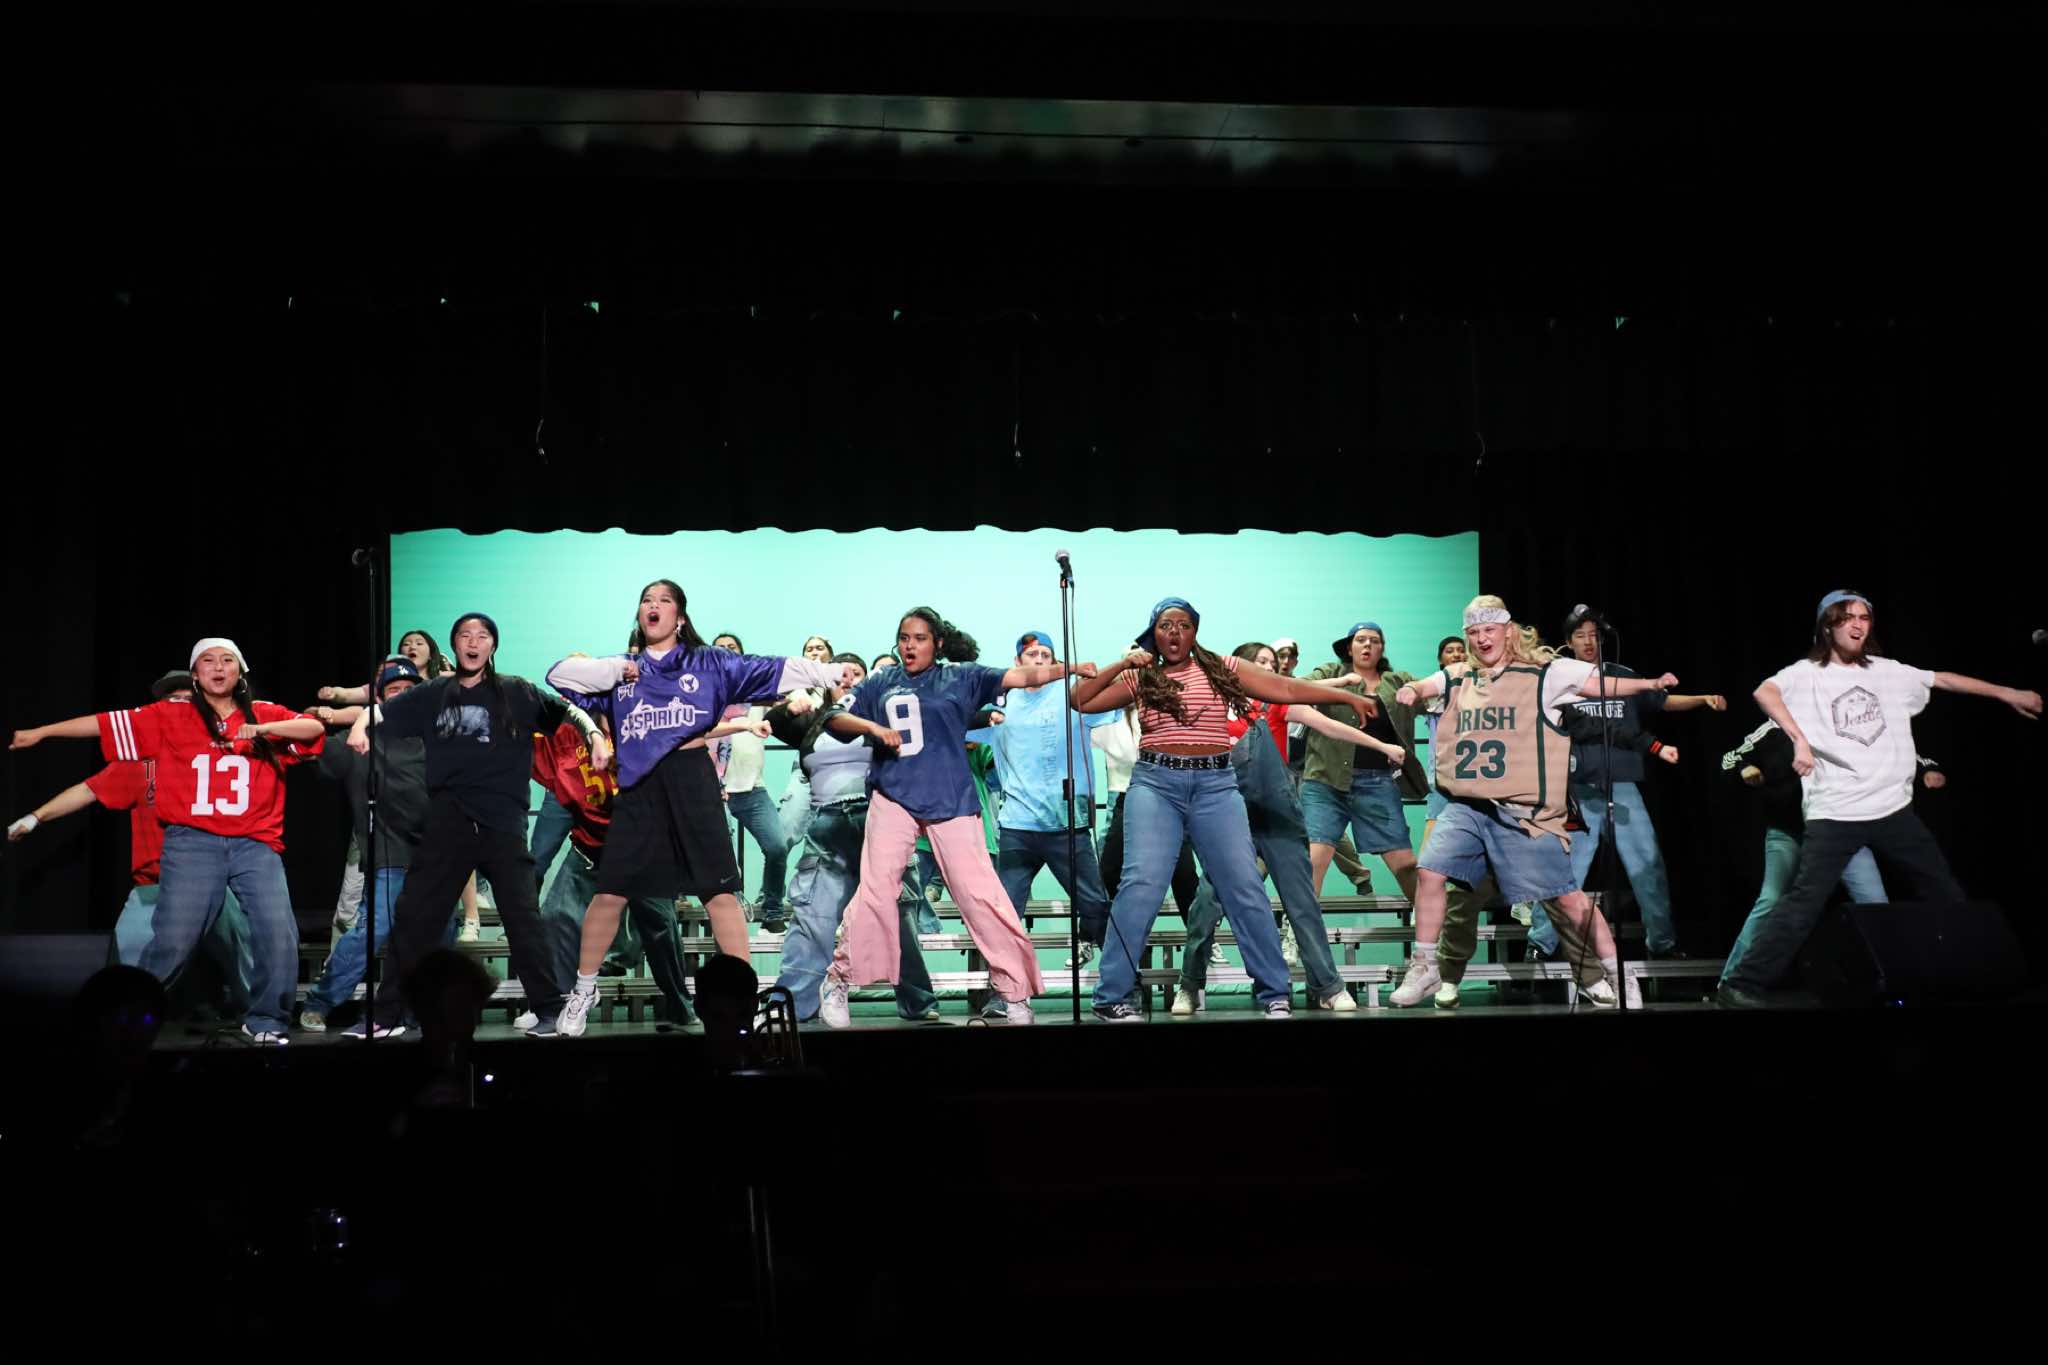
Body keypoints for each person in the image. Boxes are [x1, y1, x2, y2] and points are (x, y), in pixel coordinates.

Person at [545, 581, 848, 1036]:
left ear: (680, 617)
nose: (654, 606)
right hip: (640, 788)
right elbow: (559, 675)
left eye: (664, 601)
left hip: (692, 780)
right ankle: (584, 991)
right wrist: (615, 669)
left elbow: (769, 668)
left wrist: (826, 673)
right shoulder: (621, 672)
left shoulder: (708, 663)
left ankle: (744, 999)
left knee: (720, 894)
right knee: (610, 893)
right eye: (646, 601)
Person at [1713, 590, 2040, 1008]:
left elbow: (1943, 679)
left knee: (1944, 891)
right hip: (1835, 813)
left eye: (1864, 618)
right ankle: (1741, 984)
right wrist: (1799, 739)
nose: (1857, 625)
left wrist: (2008, 693)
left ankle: (1977, 977)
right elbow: (1764, 692)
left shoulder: (1889, 672)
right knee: (1803, 903)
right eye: (1846, 618)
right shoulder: (1806, 674)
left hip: (1892, 811)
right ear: (1827, 627)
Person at [1069, 598, 1374, 1021]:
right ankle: (1110, 997)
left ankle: (1274, 994)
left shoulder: (1222, 668)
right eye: (1165, 625)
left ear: (1194, 631)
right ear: (1153, 633)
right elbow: (1080, 700)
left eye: (1183, 625)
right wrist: (1121, 664)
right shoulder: (1143, 676)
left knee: (1244, 885)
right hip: (1156, 784)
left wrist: (1344, 697)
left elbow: (1285, 689)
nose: (1174, 632)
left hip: (1214, 784)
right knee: (1141, 886)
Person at [10, 638, 324, 1044]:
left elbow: (314, 728)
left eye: (227, 660)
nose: (218, 667)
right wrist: (42, 732)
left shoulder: (265, 713)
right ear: (195, 674)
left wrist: (263, 729)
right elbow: (104, 724)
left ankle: (267, 1021)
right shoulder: (170, 716)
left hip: (255, 843)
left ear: (240, 671)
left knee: (277, 932)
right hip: (194, 843)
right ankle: (127, 1017)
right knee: (174, 941)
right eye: (207, 661)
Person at [1391, 596, 1681, 1009]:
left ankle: (1613, 974)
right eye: (1473, 632)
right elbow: (1429, 685)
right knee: (1432, 873)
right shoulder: (1460, 676)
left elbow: (1598, 683)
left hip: (1524, 815)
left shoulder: (1545, 674)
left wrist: (1648, 684)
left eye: (1489, 630)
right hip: (1470, 807)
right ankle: (1429, 967)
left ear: (1508, 631)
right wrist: (1411, 689)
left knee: (1568, 899)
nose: (1481, 639)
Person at [817, 608, 1078, 1028]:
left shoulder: (961, 676)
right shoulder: (881, 681)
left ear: (937, 643)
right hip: (894, 795)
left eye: (919, 638)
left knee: (981, 896)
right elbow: (833, 718)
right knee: (877, 891)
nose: (909, 646)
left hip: (950, 797)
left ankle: (1014, 992)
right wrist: (873, 728)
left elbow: (1023, 676)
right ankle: (839, 979)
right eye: (904, 637)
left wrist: (1072, 668)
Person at [348, 612, 602, 1037]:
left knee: (522, 918)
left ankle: (548, 1009)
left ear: (492, 646)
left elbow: (569, 712)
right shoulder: (432, 694)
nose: (473, 641)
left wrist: (593, 736)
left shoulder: (515, 691)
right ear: (455, 644)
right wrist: (359, 724)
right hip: (448, 821)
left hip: (502, 821)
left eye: (482, 635)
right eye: (465, 635)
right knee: (414, 917)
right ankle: (388, 1014)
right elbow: (382, 711)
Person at [8, 669, 254, 1020]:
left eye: (187, 699)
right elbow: (88, 790)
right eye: (171, 700)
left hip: (211, 883)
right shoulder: (140, 762)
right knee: (127, 973)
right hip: (154, 887)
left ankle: (263, 1022)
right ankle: (117, 1030)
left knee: (247, 961)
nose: (179, 705)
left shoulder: (221, 755)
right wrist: (35, 817)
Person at [1174, 643, 1400, 1014]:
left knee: (1301, 903)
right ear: (1239, 667)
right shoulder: (1212, 704)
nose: (1269, 667)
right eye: (1260, 661)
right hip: (1230, 820)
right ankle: (1189, 985)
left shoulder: (1277, 703)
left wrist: (1382, 746)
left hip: (1278, 817)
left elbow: (1330, 725)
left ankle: (1328, 986)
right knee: (1205, 904)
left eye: (1272, 662)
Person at [1526, 606, 1728, 959]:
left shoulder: (1622, 677)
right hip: (1577, 790)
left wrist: (1701, 699)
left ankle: (1662, 943)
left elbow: (1661, 701)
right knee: (1566, 868)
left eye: (1593, 635)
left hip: (1622, 786)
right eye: (1580, 636)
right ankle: (1541, 942)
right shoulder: (1561, 679)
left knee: (1647, 864)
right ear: (1568, 642)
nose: (1588, 642)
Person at [766, 674, 942, 1022]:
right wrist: (792, 706)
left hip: (879, 821)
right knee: (812, 919)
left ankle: (918, 1002)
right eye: (841, 676)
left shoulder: (884, 719)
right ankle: (791, 1006)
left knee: (899, 918)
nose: (848, 682)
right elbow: (773, 722)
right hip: (828, 825)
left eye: (856, 676)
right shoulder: (815, 723)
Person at [300, 658, 449, 1033]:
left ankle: (416, 1010)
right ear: (379, 700)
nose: (402, 697)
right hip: (388, 853)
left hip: (436, 857)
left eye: (409, 691)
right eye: (394, 691)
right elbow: (312, 751)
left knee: (440, 935)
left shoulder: (437, 739)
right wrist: (308, 722)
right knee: (374, 929)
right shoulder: (359, 740)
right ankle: (321, 1002)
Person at [530, 714, 697, 1027]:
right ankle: (556, 1004)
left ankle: (679, 1003)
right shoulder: (565, 734)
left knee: (661, 926)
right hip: (589, 847)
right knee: (555, 916)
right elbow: (520, 735)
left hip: (640, 850)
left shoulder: (639, 727)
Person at [987, 630, 1120, 969]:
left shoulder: (1073, 696)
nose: (1039, 660)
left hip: (1066, 823)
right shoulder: (1001, 703)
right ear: (1017, 661)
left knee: (1095, 905)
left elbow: (1117, 704)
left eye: (1046, 655)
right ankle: (1004, 989)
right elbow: (961, 728)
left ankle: (1123, 984)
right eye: (1032, 655)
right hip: (1017, 825)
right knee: (1005, 913)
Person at [1302, 622, 1428, 912]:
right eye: (1361, 640)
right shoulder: (1331, 672)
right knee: (1313, 860)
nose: (1368, 645)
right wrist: (1341, 683)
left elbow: (1433, 699)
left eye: (1374, 640)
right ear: (1349, 648)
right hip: (1326, 781)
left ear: (1382, 648)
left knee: (1405, 864)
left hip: (1378, 782)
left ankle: (1430, 927)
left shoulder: (1397, 681)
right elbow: (1296, 689)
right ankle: (1298, 930)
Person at [708, 632, 795, 934]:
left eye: (732, 648)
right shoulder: (704, 694)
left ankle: (772, 909)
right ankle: (727, 909)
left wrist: (796, 701)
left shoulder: (753, 692)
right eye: (720, 649)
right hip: (713, 790)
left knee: (777, 846)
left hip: (751, 790)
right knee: (720, 858)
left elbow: (785, 695)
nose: (726, 652)